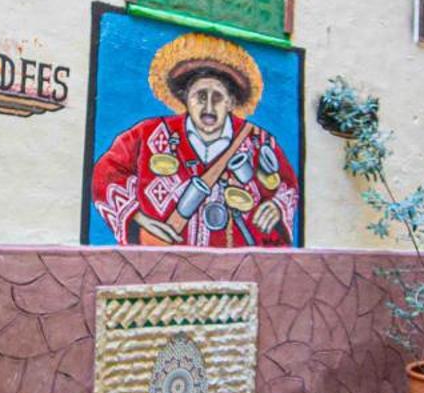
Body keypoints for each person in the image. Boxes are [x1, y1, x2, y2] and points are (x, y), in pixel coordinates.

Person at [90, 31, 299, 247]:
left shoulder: (259, 142)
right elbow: (105, 173)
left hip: (235, 270)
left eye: (217, 98)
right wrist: (138, 217)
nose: (208, 107)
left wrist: (277, 206)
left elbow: (288, 187)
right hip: (163, 267)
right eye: (200, 96)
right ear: (185, 99)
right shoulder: (148, 134)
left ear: (230, 103)